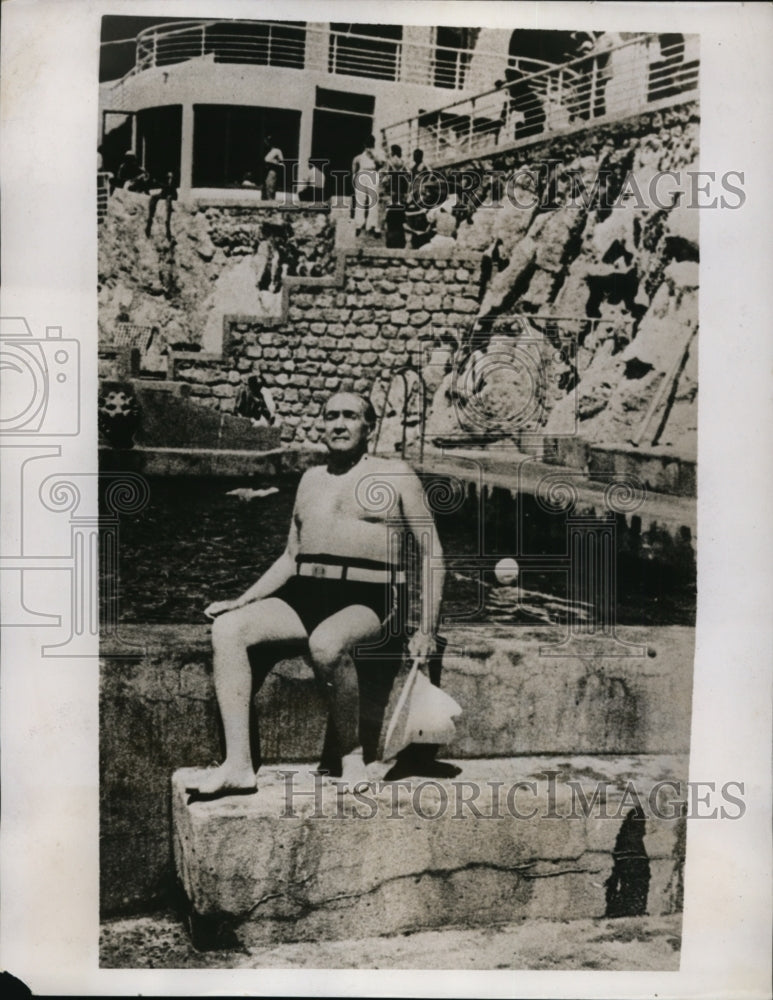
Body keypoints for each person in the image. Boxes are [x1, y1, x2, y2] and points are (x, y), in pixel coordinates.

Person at [187, 391, 445, 799]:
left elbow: (432, 553)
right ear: (321, 424)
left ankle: (352, 756)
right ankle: (238, 765)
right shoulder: (310, 479)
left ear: (369, 427)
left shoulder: (395, 474)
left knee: (326, 644)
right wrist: (242, 601)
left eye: (350, 416)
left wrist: (427, 629)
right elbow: (291, 557)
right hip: (307, 591)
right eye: (330, 416)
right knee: (228, 630)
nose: (338, 424)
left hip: (371, 596)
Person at [352, 135, 384, 236]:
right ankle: (358, 224)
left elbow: (381, 164)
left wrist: (373, 156)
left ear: (373, 142)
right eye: (366, 142)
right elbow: (355, 164)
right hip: (362, 174)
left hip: (373, 173)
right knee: (360, 200)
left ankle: (371, 225)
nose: (368, 144)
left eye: (370, 142)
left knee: (373, 200)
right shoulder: (361, 155)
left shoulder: (379, 152)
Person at [145, 171, 177, 240]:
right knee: (153, 197)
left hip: (171, 194)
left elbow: (170, 188)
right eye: (169, 176)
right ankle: (150, 219)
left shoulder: (173, 181)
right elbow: (165, 189)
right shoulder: (166, 180)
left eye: (171, 177)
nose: (170, 178)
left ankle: (167, 223)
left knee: (168, 201)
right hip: (165, 193)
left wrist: (159, 183)